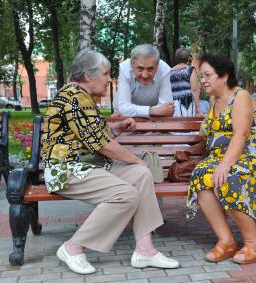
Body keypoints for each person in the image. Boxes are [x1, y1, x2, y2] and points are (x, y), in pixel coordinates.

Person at [41, 49, 179, 275]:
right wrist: (138, 160)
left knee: (140, 175)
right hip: (67, 169)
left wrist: (115, 127)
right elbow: (102, 146)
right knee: (125, 194)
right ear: (88, 76)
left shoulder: (80, 96)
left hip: (90, 165)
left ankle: (145, 249)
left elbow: (91, 134)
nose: (109, 80)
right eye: (105, 74)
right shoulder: (75, 97)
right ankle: (73, 247)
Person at [186, 54, 256, 264]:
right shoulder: (213, 99)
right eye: (201, 76)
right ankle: (226, 241)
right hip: (223, 156)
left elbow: (241, 134)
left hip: (251, 155)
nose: (203, 81)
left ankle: (255, 243)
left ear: (224, 76)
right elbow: (210, 131)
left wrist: (224, 166)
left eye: (208, 75)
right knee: (200, 176)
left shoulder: (241, 96)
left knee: (227, 179)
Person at [113, 44, 175, 117]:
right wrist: (151, 111)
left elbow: (166, 109)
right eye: (140, 68)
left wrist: (131, 111)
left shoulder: (165, 70)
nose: (145, 75)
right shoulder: (125, 68)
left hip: (152, 118)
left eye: (150, 69)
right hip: (125, 117)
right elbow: (123, 108)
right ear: (131, 65)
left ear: (158, 66)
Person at [170, 48, 201, 116]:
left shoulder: (170, 71)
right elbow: (195, 90)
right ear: (187, 58)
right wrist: (198, 107)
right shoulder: (190, 70)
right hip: (187, 104)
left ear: (176, 58)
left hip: (173, 105)